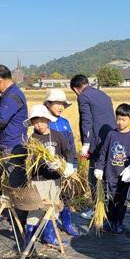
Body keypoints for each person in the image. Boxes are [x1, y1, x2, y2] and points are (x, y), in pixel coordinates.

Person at [24, 104, 74, 248]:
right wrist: (44, 162)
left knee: (53, 208)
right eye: (36, 121)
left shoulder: (58, 136)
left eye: (42, 120)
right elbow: (30, 161)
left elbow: (68, 151)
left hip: (55, 179)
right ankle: (29, 239)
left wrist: (68, 165)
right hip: (38, 180)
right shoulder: (32, 139)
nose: (39, 125)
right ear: (32, 123)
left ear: (48, 120)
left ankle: (49, 237)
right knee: (36, 209)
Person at [70, 74, 116, 220]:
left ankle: (98, 210)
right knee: (108, 174)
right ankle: (109, 208)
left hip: (96, 143)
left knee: (94, 175)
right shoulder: (103, 94)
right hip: (111, 139)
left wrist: (86, 144)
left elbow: (86, 121)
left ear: (76, 89)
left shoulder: (83, 97)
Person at [94, 103, 130, 234]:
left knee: (122, 202)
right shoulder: (111, 134)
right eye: (118, 119)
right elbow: (103, 152)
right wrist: (99, 167)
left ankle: (118, 223)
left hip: (126, 177)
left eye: (123, 119)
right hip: (110, 175)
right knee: (110, 200)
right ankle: (108, 222)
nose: (120, 122)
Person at [44, 88, 79, 236]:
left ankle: (67, 223)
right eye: (57, 103)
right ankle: (49, 230)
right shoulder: (44, 123)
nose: (60, 107)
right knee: (51, 198)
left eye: (62, 104)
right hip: (51, 168)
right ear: (48, 104)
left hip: (66, 167)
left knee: (66, 195)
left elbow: (71, 145)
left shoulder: (65, 123)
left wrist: (73, 164)